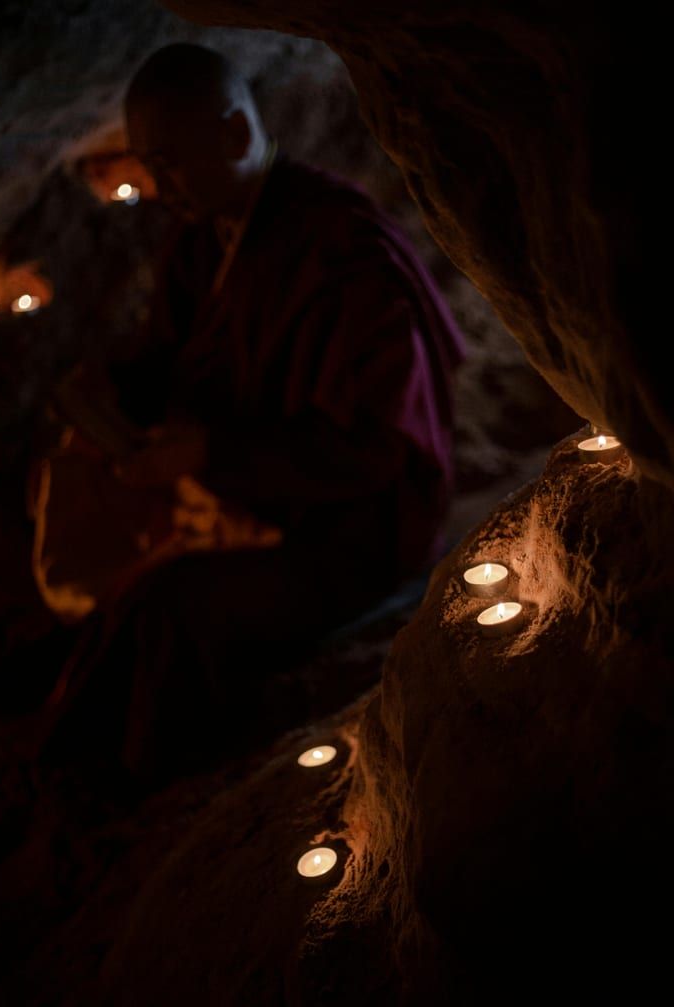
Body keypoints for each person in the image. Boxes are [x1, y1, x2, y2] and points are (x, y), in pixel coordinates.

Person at [39, 41, 466, 789]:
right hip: (248, 484)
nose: (157, 184)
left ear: (236, 133)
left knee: (174, 607)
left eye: (169, 161)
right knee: (84, 525)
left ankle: (149, 787)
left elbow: (370, 451)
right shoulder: (205, 238)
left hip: (353, 522)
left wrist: (210, 454)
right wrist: (106, 392)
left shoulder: (343, 252)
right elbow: (173, 356)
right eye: (148, 163)